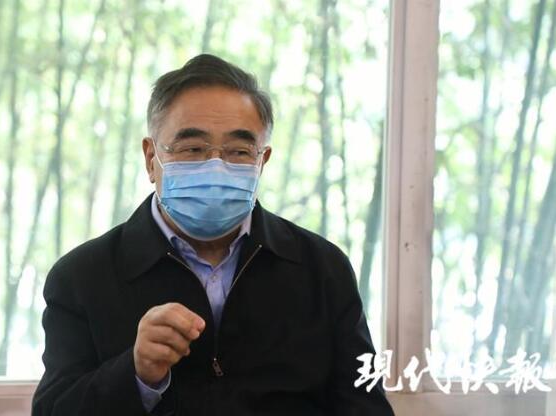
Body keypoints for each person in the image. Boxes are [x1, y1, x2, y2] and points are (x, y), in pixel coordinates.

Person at [32, 54, 394, 415]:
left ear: (262, 161)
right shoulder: (82, 277)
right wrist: (136, 373)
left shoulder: (322, 269)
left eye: (239, 151)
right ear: (150, 158)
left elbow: (366, 406)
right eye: (193, 149)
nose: (217, 167)